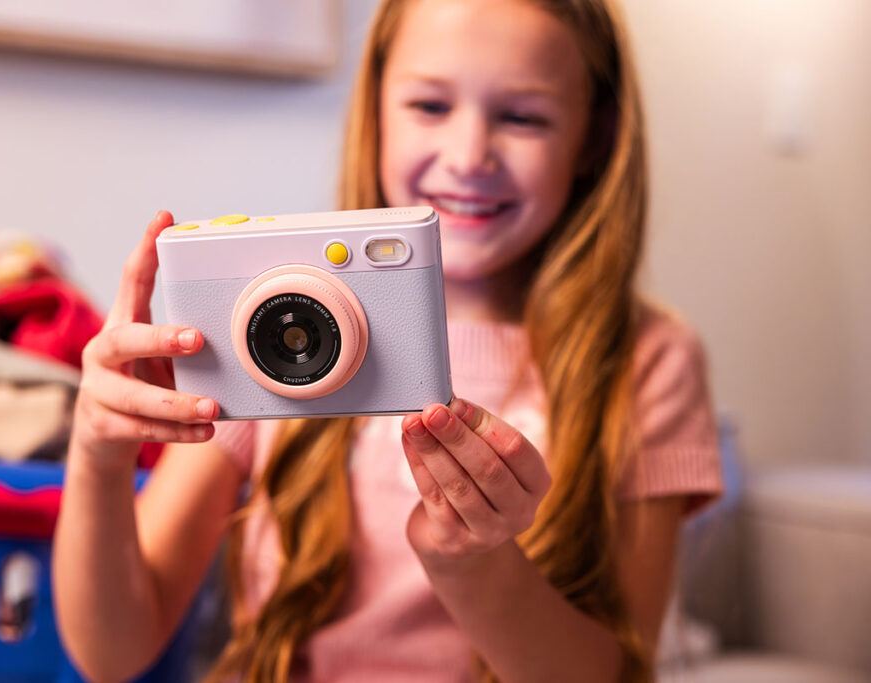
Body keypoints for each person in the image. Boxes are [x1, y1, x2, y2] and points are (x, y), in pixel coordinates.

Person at [52, 0, 723, 681]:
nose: (468, 157)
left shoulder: (647, 359)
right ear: (374, 106)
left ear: (595, 137)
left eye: (523, 117)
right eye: (430, 105)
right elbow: (113, 651)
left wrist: (474, 562)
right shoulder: (271, 313)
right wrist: (99, 453)